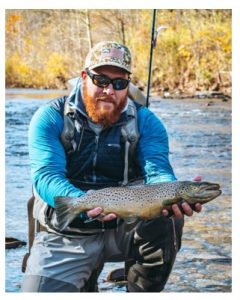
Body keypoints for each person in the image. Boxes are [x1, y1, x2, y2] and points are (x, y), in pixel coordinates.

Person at [21, 41, 202, 292]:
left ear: (128, 84)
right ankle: (85, 279)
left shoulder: (147, 123)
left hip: (124, 229)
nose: (109, 90)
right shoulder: (50, 117)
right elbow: (46, 176)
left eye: (119, 83)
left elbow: (157, 170)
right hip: (69, 232)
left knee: (167, 219)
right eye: (101, 80)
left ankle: (140, 290)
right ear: (84, 77)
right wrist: (82, 203)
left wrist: (173, 192)